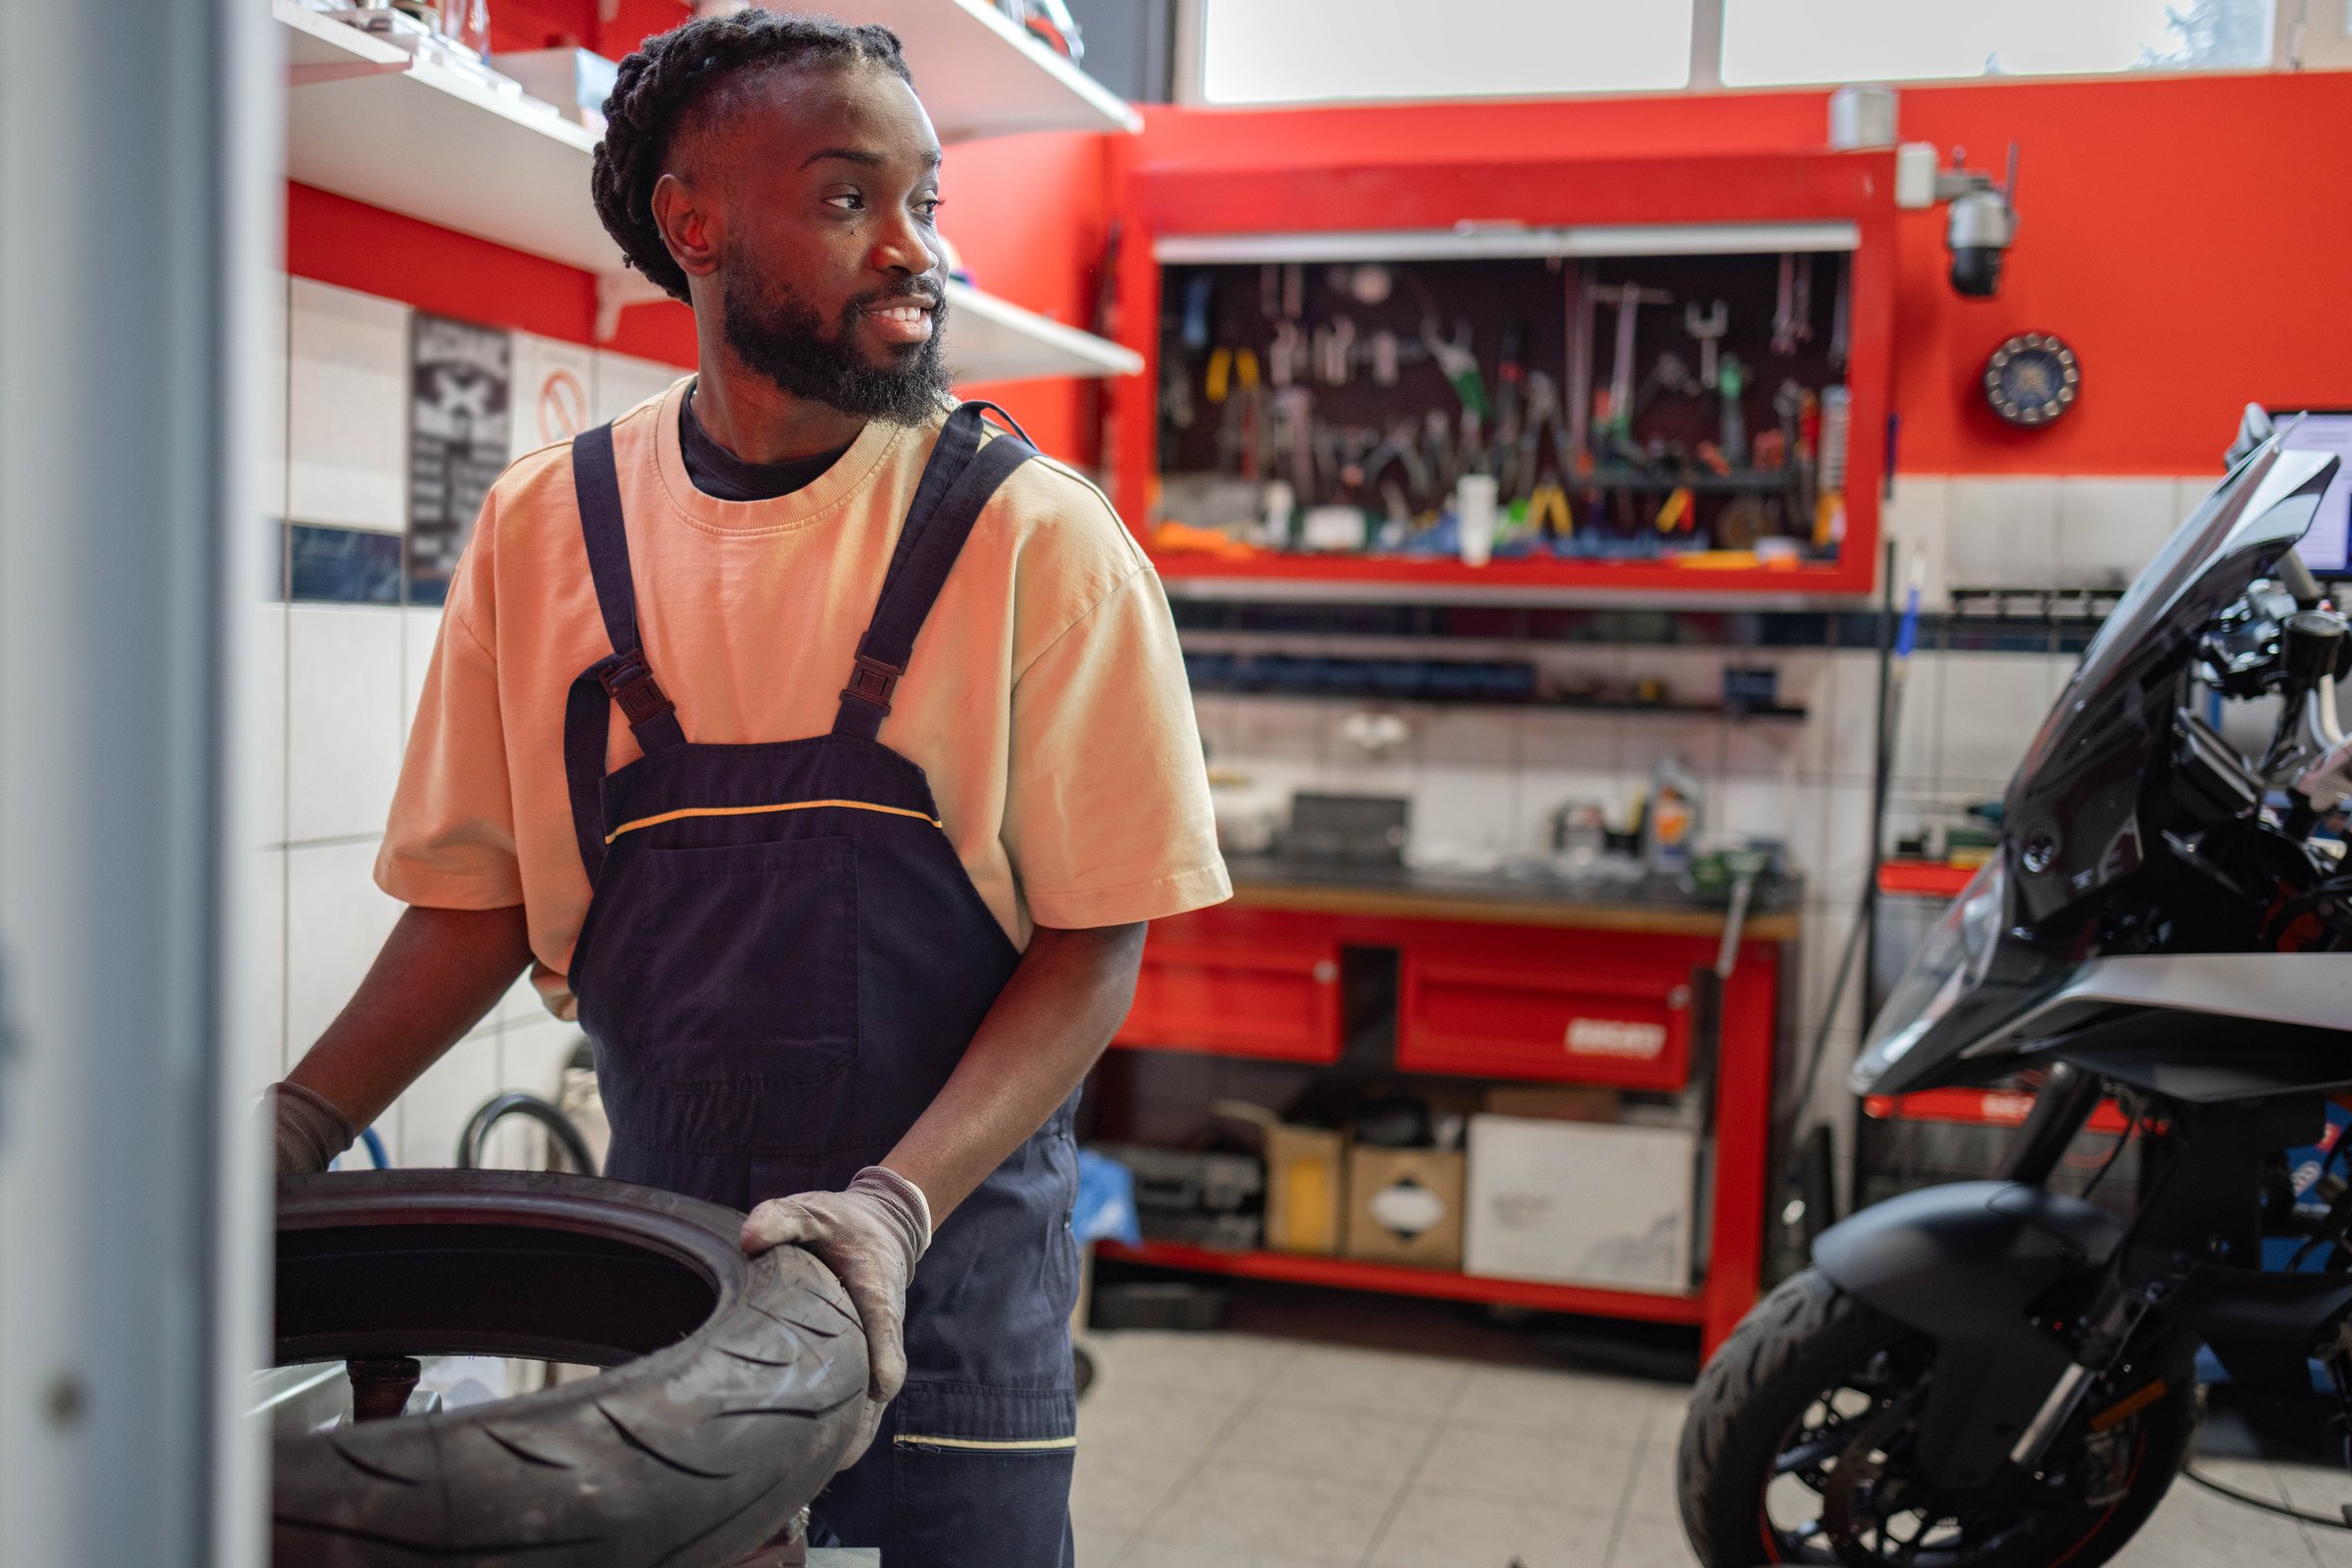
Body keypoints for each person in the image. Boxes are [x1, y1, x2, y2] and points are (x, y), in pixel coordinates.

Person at [266, 12, 1228, 1563]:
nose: (916, 250)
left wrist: (892, 1209)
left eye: (925, 201)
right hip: (668, 1309)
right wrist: (295, 1127)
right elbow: (483, 896)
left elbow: (1097, 936)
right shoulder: (544, 531)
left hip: (940, 1319)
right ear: (692, 224)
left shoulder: (1035, 541)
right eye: (851, 199)